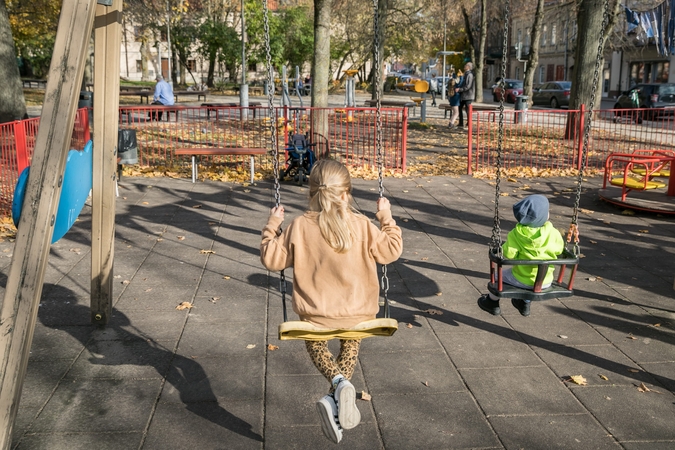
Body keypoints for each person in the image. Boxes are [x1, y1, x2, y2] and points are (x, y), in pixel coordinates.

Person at [260, 159, 403, 444]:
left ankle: (337, 386)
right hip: (358, 315)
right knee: (350, 339)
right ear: (346, 194)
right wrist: (385, 217)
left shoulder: (299, 226)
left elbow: (271, 259)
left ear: (311, 193)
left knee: (315, 341)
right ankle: (336, 400)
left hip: (316, 317)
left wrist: (272, 226)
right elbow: (391, 250)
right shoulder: (362, 225)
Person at [477, 194, 564, 317]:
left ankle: (492, 303)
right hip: (545, 281)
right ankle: (524, 303)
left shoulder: (517, 234)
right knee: (531, 284)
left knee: (497, 277)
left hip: (521, 279)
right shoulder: (553, 233)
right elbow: (559, 250)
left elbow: (508, 254)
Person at [455, 62, 475, 128]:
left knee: (467, 110)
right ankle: (461, 123)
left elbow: (468, 86)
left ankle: (469, 123)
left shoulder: (469, 75)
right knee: (459, 108)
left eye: (466, 65)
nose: (464, 66)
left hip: (468, 95)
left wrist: (460, 89)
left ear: (468, 67)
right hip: (464, 95)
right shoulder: (465, 74)